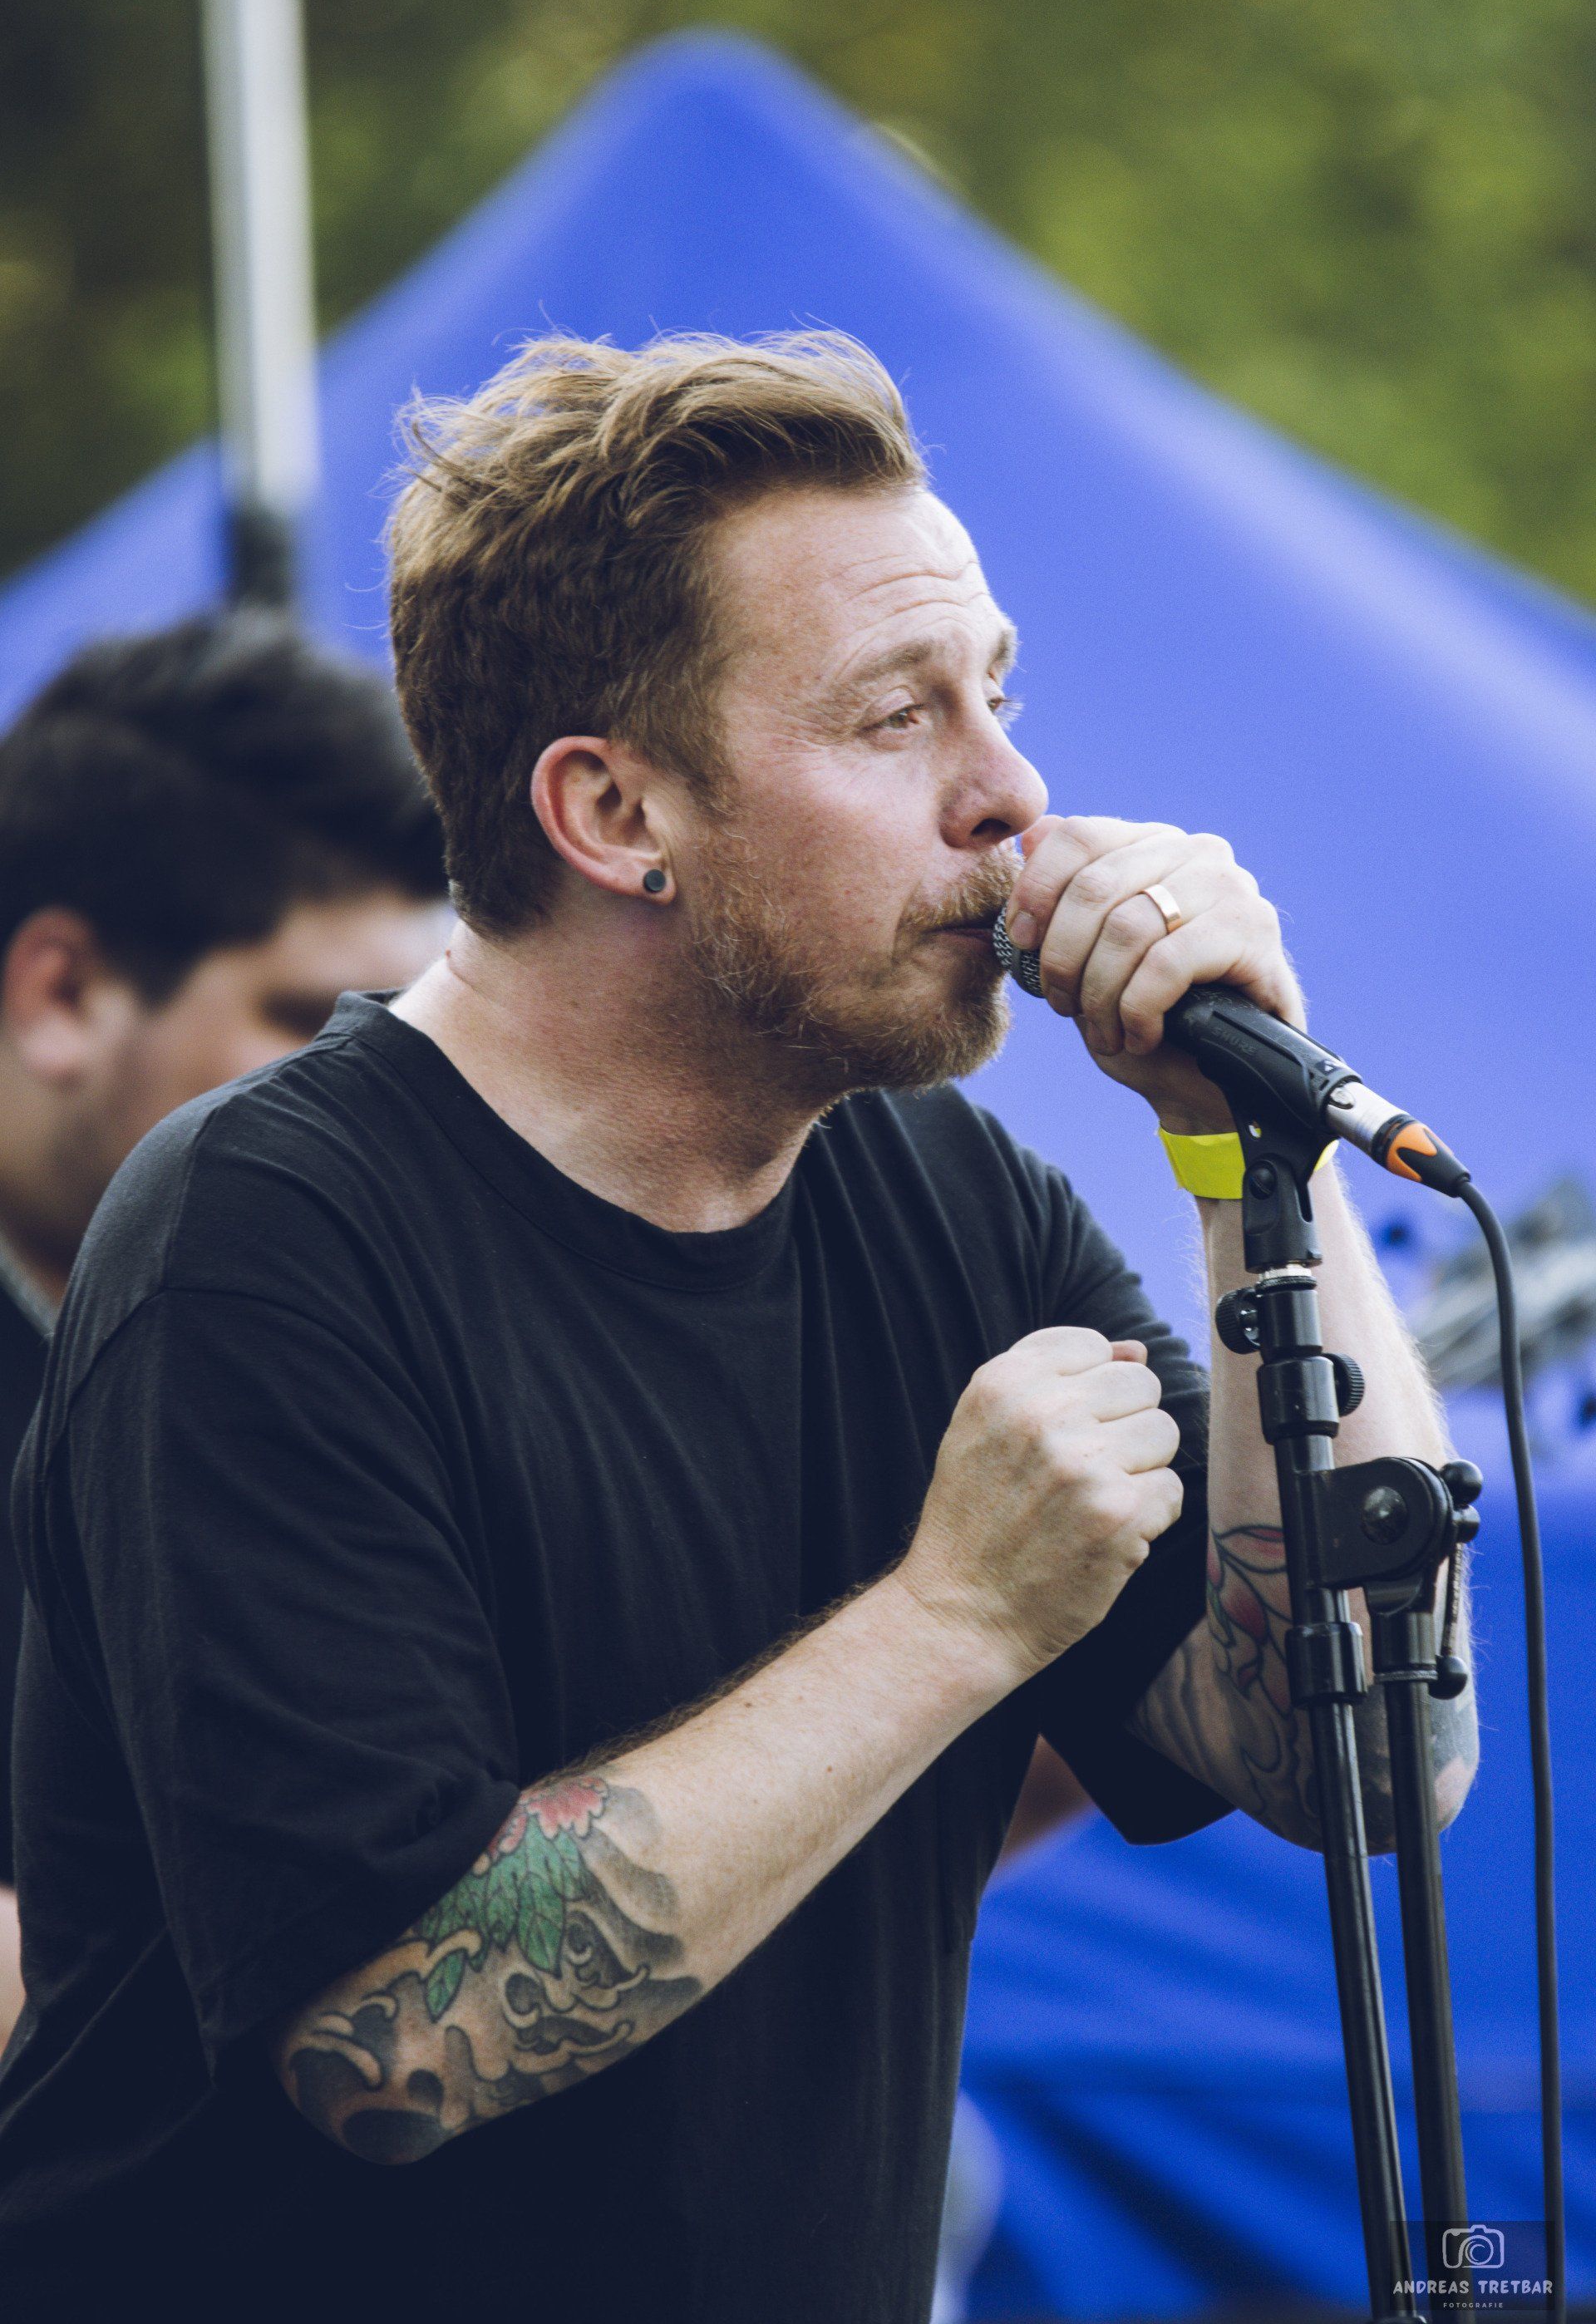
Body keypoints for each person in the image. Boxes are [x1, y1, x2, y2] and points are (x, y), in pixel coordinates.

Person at [0, 336, 1478, 2321]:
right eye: (897, 717)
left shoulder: (949, 1197)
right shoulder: (262, 1239)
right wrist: (951, 1619)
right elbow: (392, 2048)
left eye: (1000, 696)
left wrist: (1245, 1157)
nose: (1009, 795)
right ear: (616, 809)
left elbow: (1365, 1762)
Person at [0, 608, 451, 2043]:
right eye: (318, 1022)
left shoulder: (397, 1329)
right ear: (63, 994)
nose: (396, 1103)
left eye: (425, 1034)